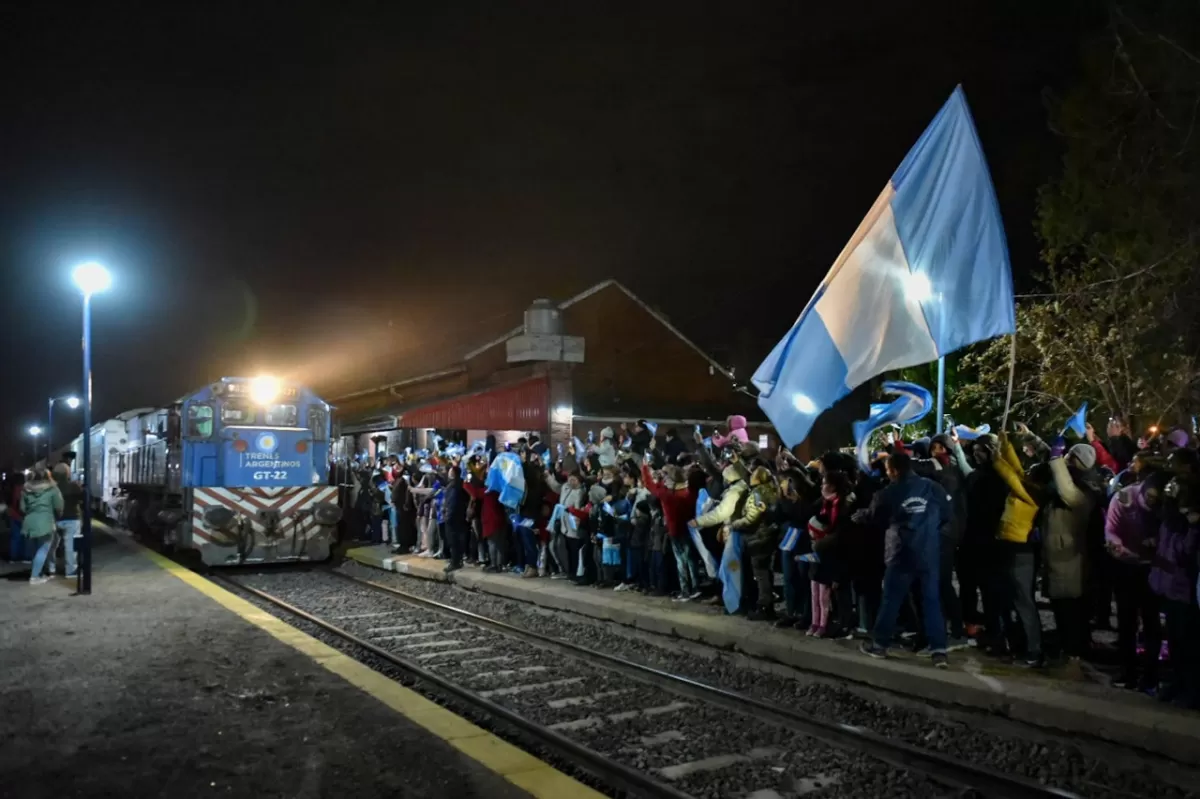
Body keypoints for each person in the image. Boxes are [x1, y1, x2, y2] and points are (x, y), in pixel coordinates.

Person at [856, 452, 950, 668]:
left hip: (901, 553)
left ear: (895, 470)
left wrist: (862, 515)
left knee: (891, 599)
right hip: (928, 552)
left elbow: (875, 518)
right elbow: (946, 514)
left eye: (888, 471)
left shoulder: (888, 493)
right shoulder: (933, 488)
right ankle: (939, 651)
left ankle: (880, 645)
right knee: (931, 601)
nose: (887, 475)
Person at [1042, 440, 1104, 670]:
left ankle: (1073, 653)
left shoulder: (1085, 489)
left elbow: (1066, 489)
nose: (1066, 460)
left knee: (1070, 610)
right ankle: (1069, 648)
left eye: (1070, 458)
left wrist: (1056, 459)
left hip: (1069, 558)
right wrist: (1033, 440)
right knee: (1064, 608)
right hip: (1062, 556)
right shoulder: (1081, 480)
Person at [1106, 470, 1167, 690]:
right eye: (1149, 497)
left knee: (1151, 624)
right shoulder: (1124, 499)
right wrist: (1118, 547)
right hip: (1127, 568)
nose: (1151, 502)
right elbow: (1111, 528)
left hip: (1153, 569)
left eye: (1156, 499)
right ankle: (1128, 673)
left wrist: (1158, 542)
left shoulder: (1165, 506)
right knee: (1126, 622)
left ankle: (1151, 675)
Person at [989, 432, 1045, 666]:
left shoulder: (1033, 493)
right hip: (1009, 546)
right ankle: (1019, 644)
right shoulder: (1028, 486)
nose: (1027, 471)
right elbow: (1016, 469)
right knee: (1014, 599)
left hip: (1020, 550)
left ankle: (1034, 650)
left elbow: (1010, 475)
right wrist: (1005, 443)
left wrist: (996, 459)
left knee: (1024, 601)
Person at [1150, 475, 1200, 708]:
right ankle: (1177, 682)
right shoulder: (1169, 520)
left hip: (1183, 590)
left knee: (1186, 643)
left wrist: (1192, 527)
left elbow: (1185, 553)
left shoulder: (1187, 524)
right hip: (1168, 587)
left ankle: (1190, 689)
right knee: (1175, 641)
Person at [643, 462, 701, 601]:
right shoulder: (689, 491)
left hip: (676, 530)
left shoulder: (668, 495)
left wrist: (645, 468)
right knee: (691, 560)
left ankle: (685, 591)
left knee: (681, 561)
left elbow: (649, 485)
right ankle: (696, 588)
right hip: (691, 529)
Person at [729, 466, 781, 621]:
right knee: (766, 573)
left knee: (761, 574)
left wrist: (735, 524)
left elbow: (752, 517)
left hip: (758, 537)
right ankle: (767, 605)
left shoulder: (758, 493)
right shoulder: (772, 490)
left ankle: (764, 606)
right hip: (768, 536)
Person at [22, 468, 63, 585]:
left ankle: (38, 572)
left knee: (35, 550)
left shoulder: (26, 490)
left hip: (29, 522)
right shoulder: (52, 489)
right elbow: (59, 506)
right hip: (45, 522)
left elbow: (22, 508)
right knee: (43, 549)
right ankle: (35, 577)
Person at [51, 464, 83, 578]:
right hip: (72, 518)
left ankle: (51, 568)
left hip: (55, 519)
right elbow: (82, 497)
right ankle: (70, 570)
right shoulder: (73, 486)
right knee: (70, 546)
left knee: (52, 545)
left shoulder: (51, 487)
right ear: (67, 473)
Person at [442, 465, 469, 572]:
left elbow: (451, 502)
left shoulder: (453, 486)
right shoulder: (461, 483)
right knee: (458, 539)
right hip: (460, 515)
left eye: (450, 471)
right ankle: (458, 560)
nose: (448, 472)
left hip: (452, 516)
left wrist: (447, 516)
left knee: (452, 540)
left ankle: (455, 562)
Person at [7, 472, 26, 562]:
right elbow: (20, 504)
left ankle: (13, 557)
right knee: (23, 537)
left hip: (12, 514)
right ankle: (22, 556)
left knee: (15, 537)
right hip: (20, 515)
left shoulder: (10, 489)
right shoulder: (22, 490)